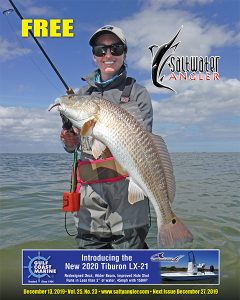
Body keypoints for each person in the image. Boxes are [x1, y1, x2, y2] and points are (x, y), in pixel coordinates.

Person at [60, 25, 153, 249]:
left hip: (128, 192)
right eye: (101, 50)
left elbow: (144, 143)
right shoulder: (81, 97)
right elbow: (73, 147)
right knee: (91, 258)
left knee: (129, 256)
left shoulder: (138, 93)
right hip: (90, 194)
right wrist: (69, 141)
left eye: (116, 49)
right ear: (94, 56)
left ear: (125, 53)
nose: (108, 55)